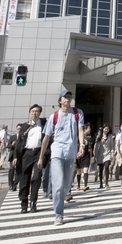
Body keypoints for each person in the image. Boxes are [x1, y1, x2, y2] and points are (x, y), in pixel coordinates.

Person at [39, 91, 83, 226]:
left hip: (71, 152)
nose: (68, 99)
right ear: (60, 100)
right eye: (65, 97)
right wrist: (40, 157)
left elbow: (80, 130)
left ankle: (61, 197)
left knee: (67, 184)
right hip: (57, 152)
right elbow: (46, 137)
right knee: (58, 185)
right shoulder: (54, 116)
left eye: (69, 97)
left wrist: (82, 145)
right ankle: (59, 215)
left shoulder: (77, 113)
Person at [14, 104, 45, 213]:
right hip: (27, 153)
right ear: (30, 113)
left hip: (38, 153)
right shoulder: (25, 126)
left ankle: (33, 202)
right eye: (32, 111)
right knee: (24, 178)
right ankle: (24, 203)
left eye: (36, 111)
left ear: (40, 113)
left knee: (36, 177)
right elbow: (19, 142)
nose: (34, 113)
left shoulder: (44, 124)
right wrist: (16, 156)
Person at [75, 122, 93, 192]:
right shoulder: (78, 137)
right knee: (79, 171)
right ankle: (78, 185)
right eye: (89, 128)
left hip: (86, 155)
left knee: (86, 170)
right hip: (79, 155)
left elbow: (90, 148)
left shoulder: (90, 138)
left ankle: (85, 185)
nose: (90, 130)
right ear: (84, 129)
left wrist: (91, 157)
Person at [94, 125, 114, 189]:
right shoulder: (99, 136)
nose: (106, 130)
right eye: (105, 129)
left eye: (107, 129)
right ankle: (101, 183)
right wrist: (95, 155)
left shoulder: (110, 136)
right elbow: (96, 146)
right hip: (100, 154)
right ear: (103, 129)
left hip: (107, 154)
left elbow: (111, 145)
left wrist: (112, 153)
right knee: (101, 169)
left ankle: (106, 183)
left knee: (107, 167)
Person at [6, 124, 21, 191]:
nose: (19, 130)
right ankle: (10, 184)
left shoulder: (23, 137)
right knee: (11, 169)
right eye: (18, 129)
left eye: (20, 129)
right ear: (16, 129)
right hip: (12, 156)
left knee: (18, 171)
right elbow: (8, 145)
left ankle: (15, 184)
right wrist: (12, 145)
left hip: (20, 156)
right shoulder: (12, 137)